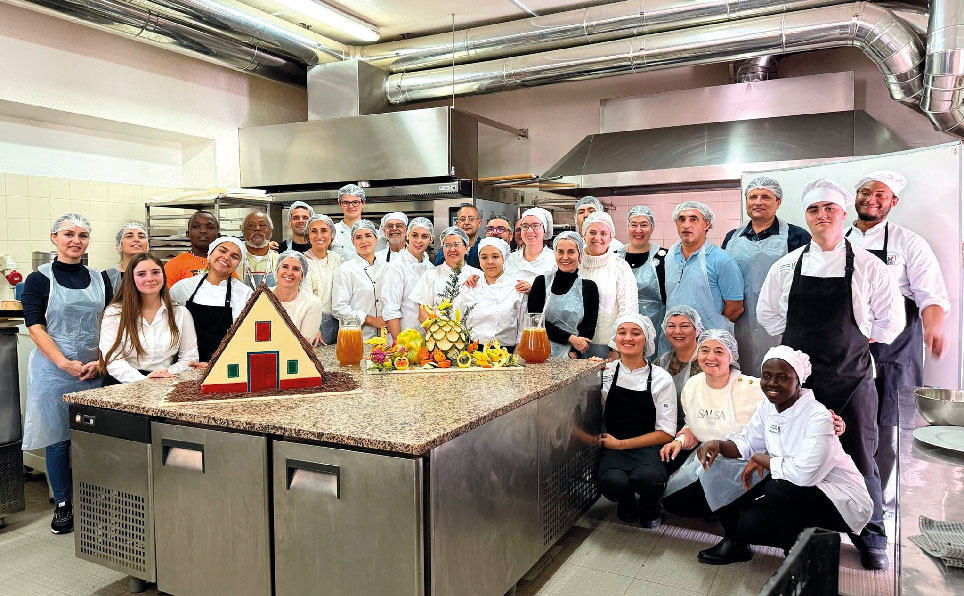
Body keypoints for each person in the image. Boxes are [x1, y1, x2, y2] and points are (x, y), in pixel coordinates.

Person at [757, 178, 906, 570]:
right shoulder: (787, 266)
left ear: (843, 214)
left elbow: (889, 325)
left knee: (860, 457)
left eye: (829, 208)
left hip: (851, 381)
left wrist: (851, 344)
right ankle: (800, 531)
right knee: (795, 454)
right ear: (805, 216)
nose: (821, 216)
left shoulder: (870, 267)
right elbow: (769, 316)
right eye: (813, 209)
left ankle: (871, 534)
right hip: (798, 385)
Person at [694, 346, 871, 564]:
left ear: (798, 382)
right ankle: (737, 542)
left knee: (778, 488)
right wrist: (718, 445)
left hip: (839, 498)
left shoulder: (818, 416)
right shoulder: (767, 407)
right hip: (796, 492)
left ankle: (796, 560)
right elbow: (747, 442)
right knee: (748, 523)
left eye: (782, 377)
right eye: (766, 376)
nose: (772, 383)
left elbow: (805, 475)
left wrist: (763, 459)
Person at [844, 170, 950, 512]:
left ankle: (878, 506)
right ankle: (844, 499)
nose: (870, 199)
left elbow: (931, 295)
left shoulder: (908, 243)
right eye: (864, 192)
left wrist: (934, 328)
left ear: (893, 202)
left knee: (887, 428)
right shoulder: (837, 240)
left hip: (896, 349)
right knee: (843, 423)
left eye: (880, 194)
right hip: (848, 346)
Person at [21, 214, 113, 534]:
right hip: (53, 371)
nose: (76, 240)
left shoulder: (102, 279)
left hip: (93, 371)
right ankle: (63, 503)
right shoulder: (38, 280)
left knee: (93, 438)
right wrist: (63, 363)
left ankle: (95, 499)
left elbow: (112, 325)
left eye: (83, 235)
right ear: (54, 238)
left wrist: (100, 361)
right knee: (58, 439)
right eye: (69, 234)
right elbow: (35, 327)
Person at [723, 177, 811, 375]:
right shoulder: (731, 237)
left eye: (766, 197)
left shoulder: (797, 236)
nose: (758, 202)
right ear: (746, 202)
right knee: (742, 376)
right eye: (753, 196)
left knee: (779, 374)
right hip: (740, 321)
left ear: (778, 202)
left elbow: (808, 283)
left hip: (780, 323)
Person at [596, 315, 676, 528]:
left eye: (635, 333)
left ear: (646, 339)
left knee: (649, 478)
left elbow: (667, 432)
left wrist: (621, 444)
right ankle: (626, 499)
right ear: (615, 338)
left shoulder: (661, 378)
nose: (628, 338)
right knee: (612, 483)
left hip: (648, 447)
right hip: (613, 446)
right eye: (622, 332)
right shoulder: (604, 372)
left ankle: (650, 503)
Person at [99, 253, 201, 384]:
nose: (150, 278)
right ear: (131, 279)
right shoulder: (115, 313)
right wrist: (143, 380)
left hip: (166, 380)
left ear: (163, 276)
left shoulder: (180, 313)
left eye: (155, 272)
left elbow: (189, 357)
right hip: (123, 383)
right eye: (141, 274)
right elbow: (112, 359)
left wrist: (167, 374)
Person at [661, 201, 745, 355]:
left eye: (693, 219)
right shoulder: (670, 256)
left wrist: (711, 326)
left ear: (706, 224)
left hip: (708, 344)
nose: (686, 225)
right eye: (681, 219)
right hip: (675, 339)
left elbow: (735, 308)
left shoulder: (722, 260)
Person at [170, 236, 253, 362]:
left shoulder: (245, 294)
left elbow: (246, 338)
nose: (226, 257)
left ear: (238, 265)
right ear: (210, 253)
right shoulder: (182, 288)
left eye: (234, 257)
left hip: (225, 365)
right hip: (186, 365)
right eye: (222, 251)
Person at [527, 232, 599, 358]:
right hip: (539, 351)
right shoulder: (541, 282)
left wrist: (573, 354)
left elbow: (589, 326)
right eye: (560, 252)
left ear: (580, 255)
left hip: (573, 356)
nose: (565, 257)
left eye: (571, 252)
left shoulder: (589, 287)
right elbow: (536, 320)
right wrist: (570, 338)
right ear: (555, 254)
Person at [579, 212, 638, 358]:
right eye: (592, 232)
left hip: (607, 347)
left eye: (603, 233)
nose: (597, 238)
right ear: (583, 234)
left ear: (611, 237)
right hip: (574, 345)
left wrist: (616, 348)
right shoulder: (575, 265)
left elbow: (628, 311)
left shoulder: (620, 267)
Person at [455, 238, 525, 350]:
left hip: (507, 353)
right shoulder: (469, 287)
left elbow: (523, 329)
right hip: (473, 352)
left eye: (495, 256)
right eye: (484, 257)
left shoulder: (516, 288)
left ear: (504, 258)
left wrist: (515, 359)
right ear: (479, 260)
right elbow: (458, 323)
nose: (490, 261)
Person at [617, 205, 668, 352]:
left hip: (655, 327)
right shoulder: (614, 257)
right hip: (622, 328)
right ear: (628, 227)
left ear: (652, 228)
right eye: (634, 225)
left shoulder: (664, 257)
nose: (638, 230)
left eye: (644, 225)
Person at [410, 227, 483, 319]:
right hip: (439, 331)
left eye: (457, 245)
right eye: (447, 245)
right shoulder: (430, 275)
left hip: (473, 332)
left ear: (467, 248)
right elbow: (423, 314)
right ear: (443, 250)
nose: (452, 249)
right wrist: (440, 332)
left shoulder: (478, 275)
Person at [332, 220, 386, 341]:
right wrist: (371, 320)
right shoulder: (345, 270)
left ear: (376, 238)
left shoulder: (387, 268)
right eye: (358, 237)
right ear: (353, 242)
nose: (364, 241)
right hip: (358, 338)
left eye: (368, 235)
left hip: (386, 338)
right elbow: (339, 309)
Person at [382, 217, 435, 339]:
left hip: (427, 340)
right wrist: (400, 345)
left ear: (431, 239)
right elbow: (391, 311)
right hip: (402, 338)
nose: (419, 241)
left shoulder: (431, 268)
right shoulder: (396, 267)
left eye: (424, 236)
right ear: (407, 236)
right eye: (415, 235)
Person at [303, 214, 343, 345]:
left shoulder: (336, 259)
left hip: (339, 322)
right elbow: (304, 300)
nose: (319, 236)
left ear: (332, 233)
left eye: (324, 230)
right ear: (308, 235)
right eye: (313, 231)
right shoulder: (302, 262)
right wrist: (313, 327)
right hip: (315, 323)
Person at [657, 305, 705, 415]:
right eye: (671, 326)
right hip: (666, 425)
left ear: (697, 329)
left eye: (684, 326)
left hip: (701, 427)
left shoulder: (708, 362)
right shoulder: (662, 362)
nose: (677, 331)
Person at [272, 251, 323, 343]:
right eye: (285, 267)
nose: (289, 272)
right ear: (277, 269)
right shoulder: (262, 296)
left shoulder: (312, 303)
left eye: (296, 269)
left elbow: (303, 345)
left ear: (302, 275)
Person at [164, 211, 224, 287]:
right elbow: (167, 297)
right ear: (188, 234)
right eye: (196, 226)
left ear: (218, 236)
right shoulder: (174, 265)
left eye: (209, 227)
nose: (203, 231)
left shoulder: (225, 263)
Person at [505, 207, 556, 289]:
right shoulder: (510, 259)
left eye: (535, 225)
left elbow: (562, 294)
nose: (529, 231)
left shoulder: (555, 260)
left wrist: (535, 289)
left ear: (544, 230)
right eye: (525, 226)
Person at [239, 210, 280, 289]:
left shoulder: (280, 261)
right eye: (251, 225)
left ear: (271, 230)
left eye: (262, 225)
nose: (257, 228)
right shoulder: (236, 260)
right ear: (243, 231)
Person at [434, 204, 482, 268]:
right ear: (456, 224)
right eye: (462, 219)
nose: (466, 222)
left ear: (479, 223)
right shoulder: (444, 252)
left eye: (471, 219)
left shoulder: (485, 248)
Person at [106, 222, 150, 292]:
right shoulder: (106, 277)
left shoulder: (156, 274)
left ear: (147, 246)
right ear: (119, 246)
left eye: (141, 236)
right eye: (129, 236)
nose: (136, 239)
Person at [332, 185, 366, 262]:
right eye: (346, 202)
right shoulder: (332, 231)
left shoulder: (373, 232)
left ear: (363, 203)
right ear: (340, 204)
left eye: (355, 202)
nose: (350, 206)